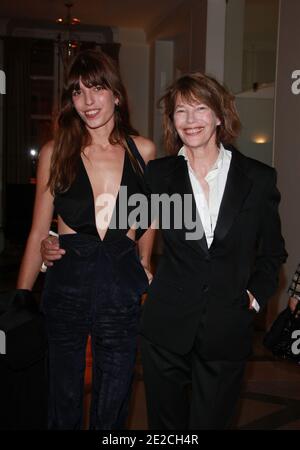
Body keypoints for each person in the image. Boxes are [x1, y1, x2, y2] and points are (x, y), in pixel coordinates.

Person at [17, 49, 156, 430]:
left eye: (96, 88)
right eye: (78, 92)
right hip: (66, 287)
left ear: (116, 94)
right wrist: (21, 295)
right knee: (62, 395)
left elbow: (149, 217)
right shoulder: (55, 152)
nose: (88, 101)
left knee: (114, 397)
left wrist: (145, 262)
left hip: (119, 287)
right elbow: (37, 231)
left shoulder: (143, 152)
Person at [139, 72, 287, 429]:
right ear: (172, 120)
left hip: (227, 328)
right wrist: (58, 240)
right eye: (180, 111)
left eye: (200, 109)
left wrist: (253, 298)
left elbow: (273, 254)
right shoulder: (158, 175)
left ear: (219, 115)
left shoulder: (258, 178)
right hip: (165, 329)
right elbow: (120, 231)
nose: (190, 121)